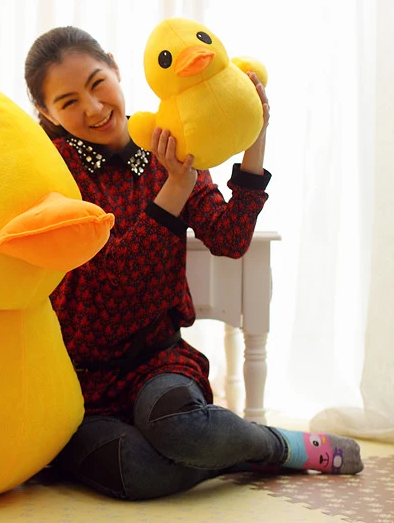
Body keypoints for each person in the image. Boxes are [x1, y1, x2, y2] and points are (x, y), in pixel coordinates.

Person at [23, 25, 364, 501]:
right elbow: (114, 277)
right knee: (137, 470)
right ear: (46, 113)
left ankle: (280, 447)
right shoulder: (49, 170)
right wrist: (175, 187)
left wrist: (256, 138)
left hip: (158, 361)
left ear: (116, 69)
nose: (95, 108)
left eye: (98, 83)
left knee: (182, 428)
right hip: (78, 383)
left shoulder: (171, 144)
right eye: (69, 101)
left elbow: (229, 238)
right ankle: (252, 450)